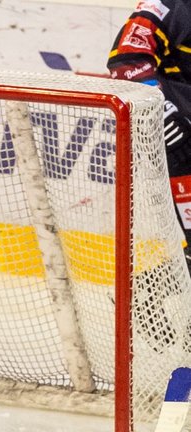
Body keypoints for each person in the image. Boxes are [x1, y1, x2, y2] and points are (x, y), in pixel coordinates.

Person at [109, 0, 191, 271]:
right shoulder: (172, 5)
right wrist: (165, 116)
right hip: (183, 145)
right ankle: (145, 302)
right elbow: (126, 62)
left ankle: (146, 299)